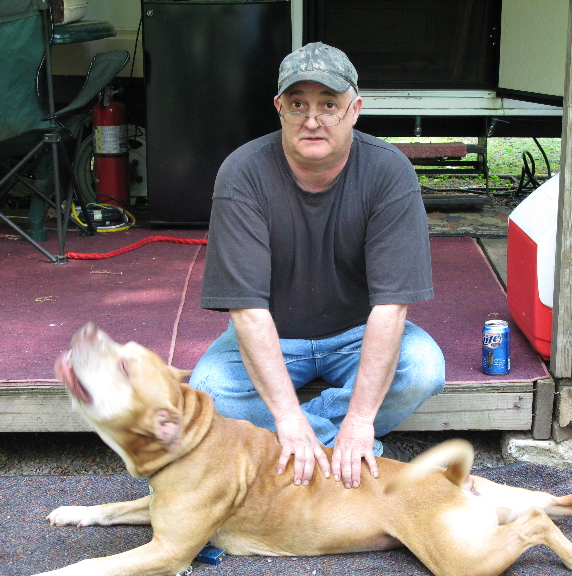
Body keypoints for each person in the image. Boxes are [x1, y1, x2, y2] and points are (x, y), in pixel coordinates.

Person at [190, 42, 445, 490]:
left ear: (355, 109)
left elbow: (391, 308)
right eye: (298, 104)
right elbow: (247, 311)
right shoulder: (242, 173)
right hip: (273, 332)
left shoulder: (389, 173)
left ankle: (323, 443)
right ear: (279, 108)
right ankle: (327, 447)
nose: (312, 120)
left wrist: (362, 419)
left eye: (329, 104)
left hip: (356, 332)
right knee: (210, 389)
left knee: (423, 368)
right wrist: (288, 417)